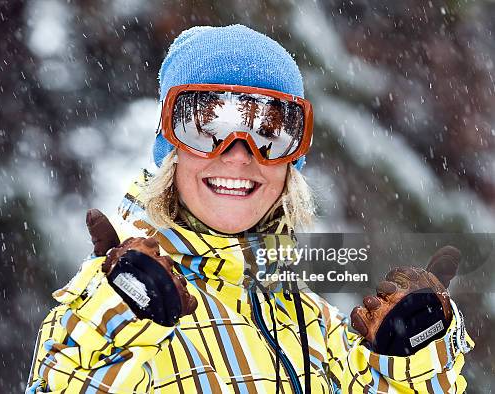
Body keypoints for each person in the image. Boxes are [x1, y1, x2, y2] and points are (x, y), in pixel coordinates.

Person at [26, 25, 473, 393]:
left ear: (291, 160)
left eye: (268, 132)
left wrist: (410, 364)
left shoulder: (312, 323)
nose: (239, 154)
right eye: (208, 126)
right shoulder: (109, 301)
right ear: (171, 146)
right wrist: (118, 320)